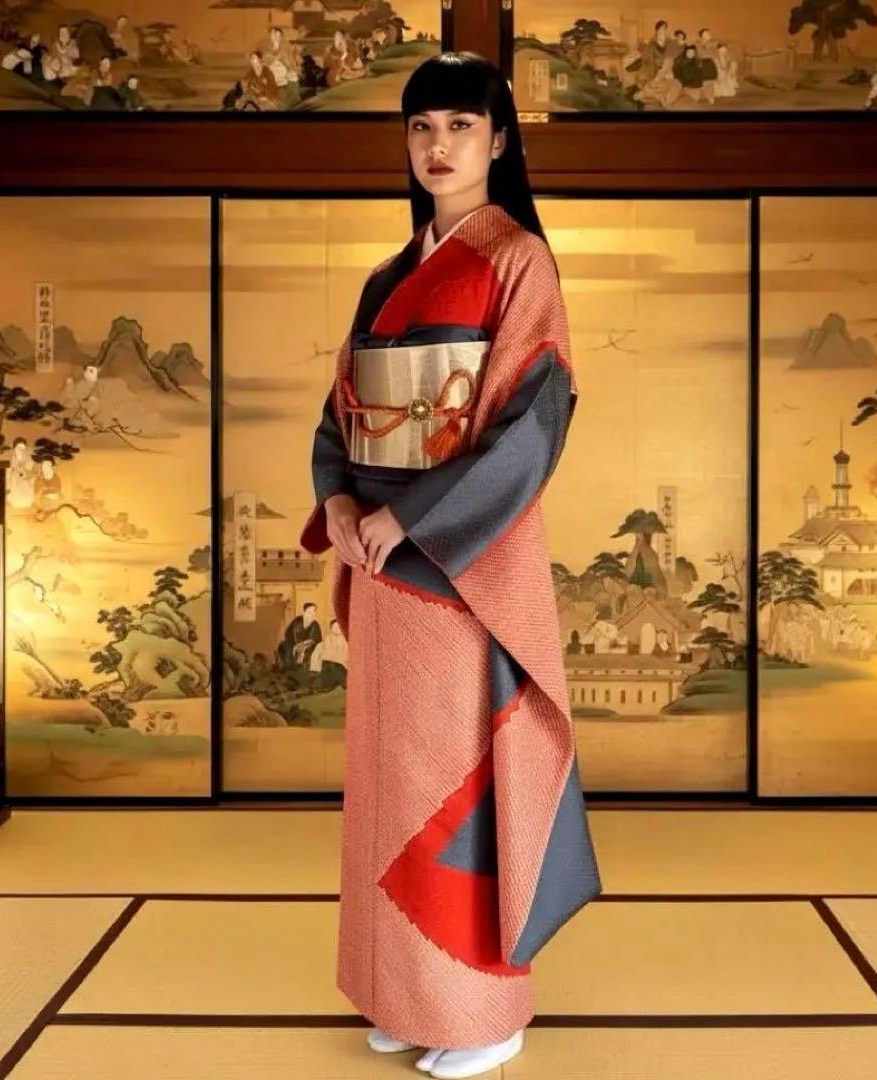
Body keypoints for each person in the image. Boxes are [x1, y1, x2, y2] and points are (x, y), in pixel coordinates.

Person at [299, 51, 601, 1080]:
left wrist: (413, 516)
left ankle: (482, 1010)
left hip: (456, 563)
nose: (439, 147)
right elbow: (343, 412)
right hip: (380, 554)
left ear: (499, 140)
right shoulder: (387, 278)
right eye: (422, 127)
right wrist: (343, 499)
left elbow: (531, 424)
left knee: (456, 781)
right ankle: (403, 993)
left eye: (461, 127)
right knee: (388, 780)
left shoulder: (519, 261)